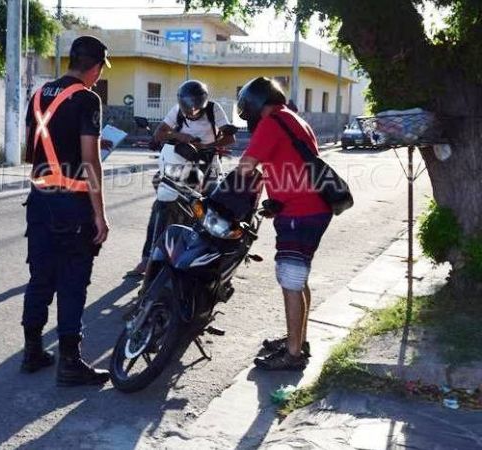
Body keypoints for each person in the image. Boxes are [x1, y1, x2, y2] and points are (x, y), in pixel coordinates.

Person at [20, 36, 112, 386]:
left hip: (39, 200)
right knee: (73, 281)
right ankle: (70, 363)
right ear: (95, 67)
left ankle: (32, 352)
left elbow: (30, 152)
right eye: (100, 69)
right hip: (72, 205)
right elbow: (90, 162)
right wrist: (100, 214)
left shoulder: (39, 95)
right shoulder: (88, 99)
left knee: (40, 277)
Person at [234, 77, 332, 371]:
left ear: (255, 105)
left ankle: (293, 354)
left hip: (300, 213)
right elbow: (293, 164)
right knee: (298, 278)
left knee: (290, 279)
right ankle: (298, 340)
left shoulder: (272, 122)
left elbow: (245, 167)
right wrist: (277, 200)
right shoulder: (293, 119)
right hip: (311, 208)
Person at [129, 80, 235, 276]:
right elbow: (160, 133)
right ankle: (147, 258)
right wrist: (181, 137)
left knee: (210, 209)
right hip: (180, 164)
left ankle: (207, 260)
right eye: (188, 110)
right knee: (160, 207)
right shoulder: (177, 110)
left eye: (195, 110)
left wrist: (205, 146)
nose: (191, 113)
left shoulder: (214, 109)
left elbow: (230, 138)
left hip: (207, 165)